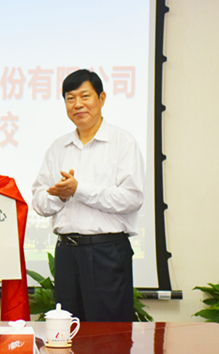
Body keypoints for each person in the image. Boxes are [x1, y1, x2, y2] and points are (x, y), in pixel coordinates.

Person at [31, 69, 144, 322]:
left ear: (101, 98)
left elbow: (132, 198)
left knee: (109, 334)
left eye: (85, 96)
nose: (78, 104)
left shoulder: (123, 142)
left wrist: (78, 190)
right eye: (70, 98)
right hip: (67, 254)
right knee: (67, 330)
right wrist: (61, 196)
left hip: (106, 253)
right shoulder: (58, 148)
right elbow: (38, 202)